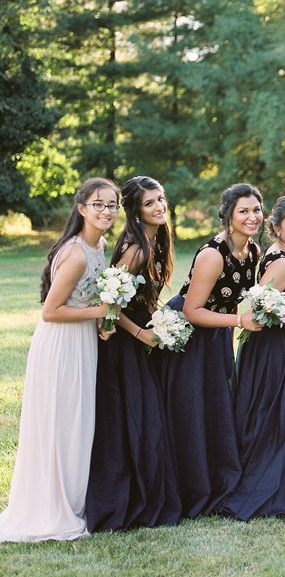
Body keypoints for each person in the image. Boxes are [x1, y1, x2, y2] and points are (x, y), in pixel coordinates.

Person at [0, 178, 119, 542]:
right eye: (98, 204)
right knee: (61, 424)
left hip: (82, 341)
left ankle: (72, 500)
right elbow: (51, 311)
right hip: (61, 345)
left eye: (113, 205)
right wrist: (99, 309)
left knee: (77, 424)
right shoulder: (77, 252)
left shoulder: (98, 245)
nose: (107, 211)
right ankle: (51, 507)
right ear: (81, 207)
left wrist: (102, 319)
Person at [159, 183, 263, 518]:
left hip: (217, 332)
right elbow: (191, 310)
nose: (252, 217)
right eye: (243, 211)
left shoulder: (253, 252)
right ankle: (191, 485)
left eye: (256, 210)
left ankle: (216, 477)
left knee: (216, 404)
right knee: (191, 408)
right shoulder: (212, 255)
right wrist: (239, 320)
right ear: (228, 215)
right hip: (190, 334)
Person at [85, 176, 181, 531]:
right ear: (136, 212)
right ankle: (126, 502)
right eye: (150, 203)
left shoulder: (155, 241)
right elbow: (109, 305)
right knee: (135, 419)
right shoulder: (136, 248)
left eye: (161, 199)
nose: (159, 207)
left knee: (146, 416)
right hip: (126, 344)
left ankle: (149, 494)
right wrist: (142, 333)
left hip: (144, 336)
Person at [222, 195, 285, 520]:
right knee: (271, 416)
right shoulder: (281, 262)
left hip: (280, 347)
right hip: (273, 350)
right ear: (275, 226)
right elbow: (257, 312)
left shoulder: (284, 256)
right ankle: (262, 485)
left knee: (275, 416)